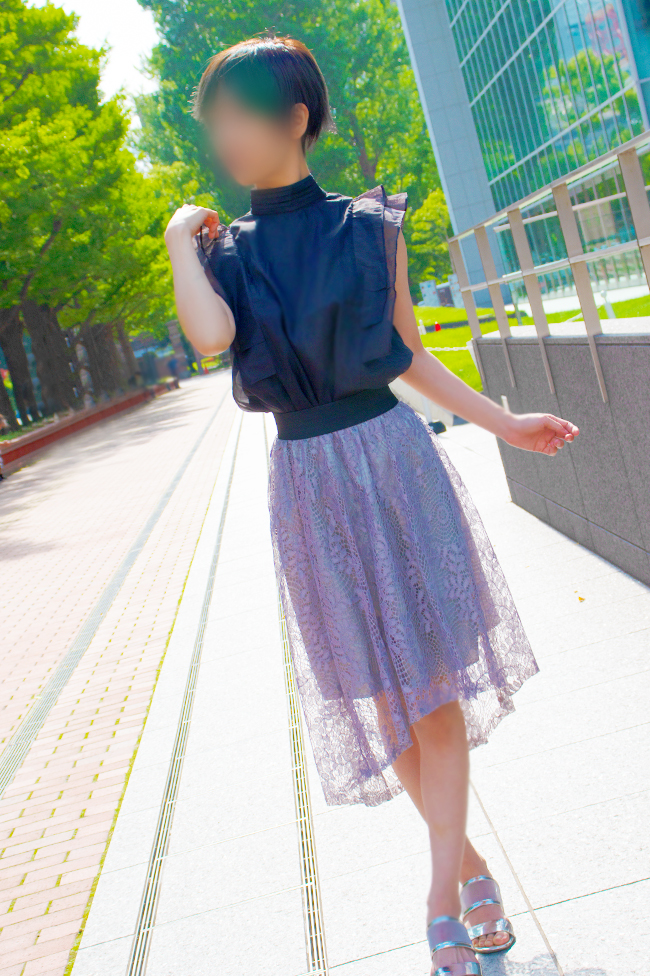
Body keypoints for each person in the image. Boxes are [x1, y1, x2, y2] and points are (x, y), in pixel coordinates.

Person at [164, 36, 579, 976]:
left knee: (430, 680)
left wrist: (504, 423)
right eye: (213, 123)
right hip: (307, 482)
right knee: (377, 690)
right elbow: (211, 337)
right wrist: (179, 242)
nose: (224, 138)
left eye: (238, 116)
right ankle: (472, 870)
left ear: (294, 119)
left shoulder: (367, 226)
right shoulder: (227, 251)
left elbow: (409, 353)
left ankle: (440, 902)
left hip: (391, 461)